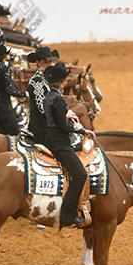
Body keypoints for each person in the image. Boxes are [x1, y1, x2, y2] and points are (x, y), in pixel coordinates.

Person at [43, 61, 96, 229]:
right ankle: (69, 215)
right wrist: (82, 130)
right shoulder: (58, 98)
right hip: (60, 142)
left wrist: (67, 115)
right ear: (64, 81)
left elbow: (58, 117)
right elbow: (64, 126)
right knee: (80, 174)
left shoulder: (49, 96)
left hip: (52, 138)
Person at [26, 47, 59, 144]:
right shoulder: (37, 81)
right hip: (41, 127)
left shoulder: (44, 79)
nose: (49, 65)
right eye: (46, 62)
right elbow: (42, 107)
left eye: (50, 62)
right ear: (38, 62)